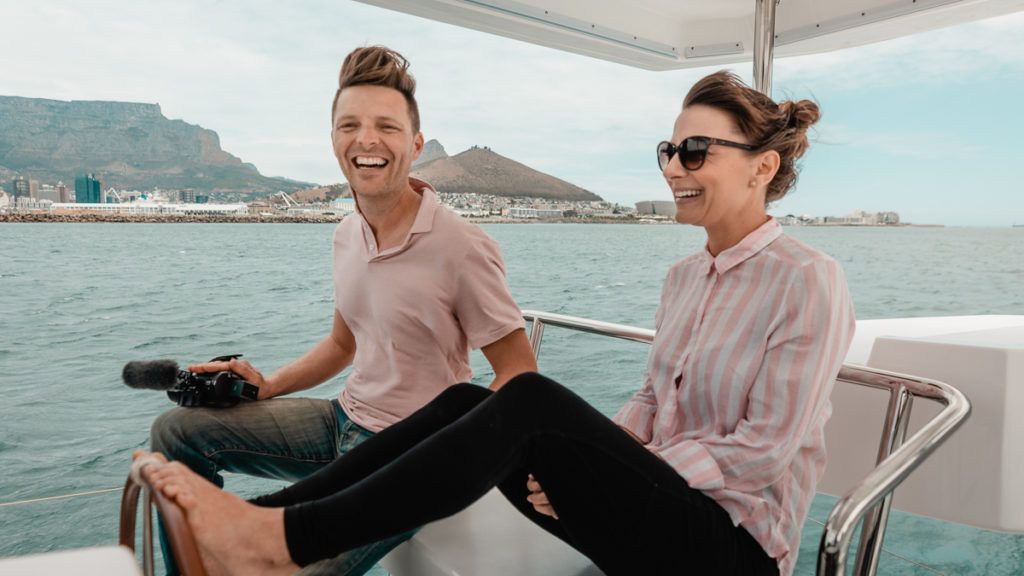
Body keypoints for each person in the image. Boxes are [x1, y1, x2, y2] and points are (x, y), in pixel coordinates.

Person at [136, 70, 855, 576]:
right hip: (649, 509)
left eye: (694, 151)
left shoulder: (807, 280)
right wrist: (592, 469)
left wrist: (601, 472)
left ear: (762, 168)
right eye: (668, 150)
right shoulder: (684, 278)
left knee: (531, 401)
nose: (673, 167)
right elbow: (647, 404)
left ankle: (278, 539)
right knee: (469, 401)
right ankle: (272, 517)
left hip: (730, 547)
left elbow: (760, 454)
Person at [147, 45, 537, 576]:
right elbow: (342, 344)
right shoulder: (346, 233)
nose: (367, 140)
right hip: (341, 419)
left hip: (406, 452)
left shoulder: (462, 246)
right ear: (333, 141)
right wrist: (267, 385)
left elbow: (518, 372)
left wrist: (449, 450)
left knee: (295, 567)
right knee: (177, 432)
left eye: (387, 127)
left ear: (416, 145)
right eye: (349, 125)